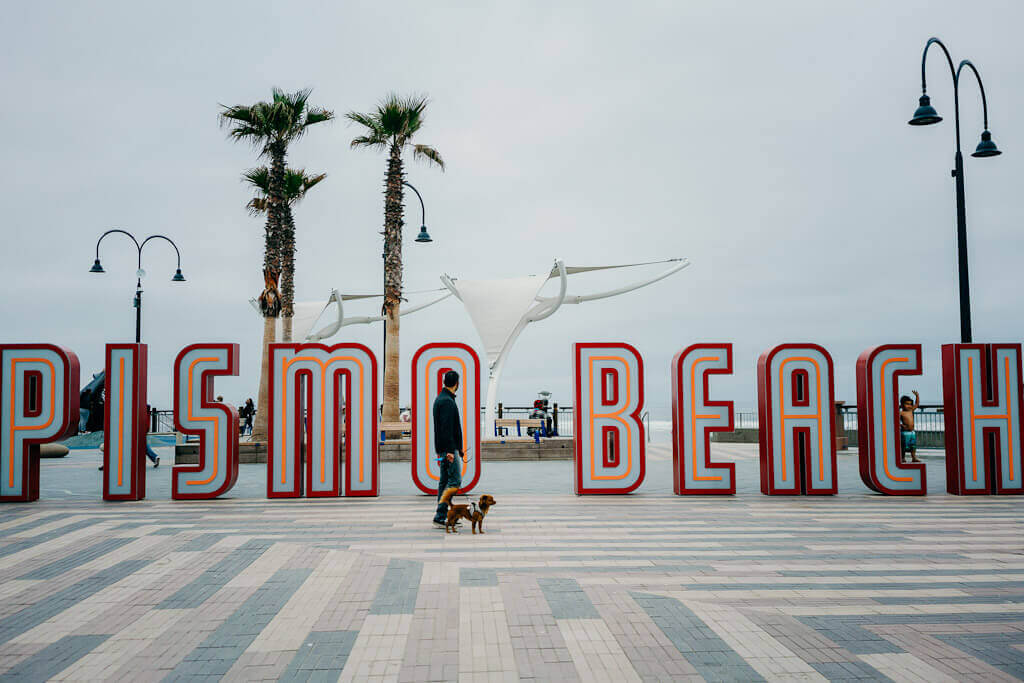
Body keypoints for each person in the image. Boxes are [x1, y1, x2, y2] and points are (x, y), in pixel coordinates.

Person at [432, 370, 464, 529]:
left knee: (444, 481)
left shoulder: (442, 399)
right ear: (456, 383)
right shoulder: (447, 401)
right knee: (455, 480)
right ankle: (441, 515)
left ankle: (440, 517)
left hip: (444, 449)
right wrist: (451, 450)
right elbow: (446, 429)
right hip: (448, 450)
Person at [899, 391, 921, 463]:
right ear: (902, 405)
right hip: (905, 432)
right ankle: (902, 457)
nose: (909, 406)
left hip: (912, 432)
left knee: (913, 446)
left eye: (910, 404)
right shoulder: (901, 413)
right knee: (904, 446)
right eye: (907, 404)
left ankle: (913, 457)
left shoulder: (911, 410)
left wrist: (917, 396)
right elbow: (896, 421)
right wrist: (901, 425)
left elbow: (917, 404)